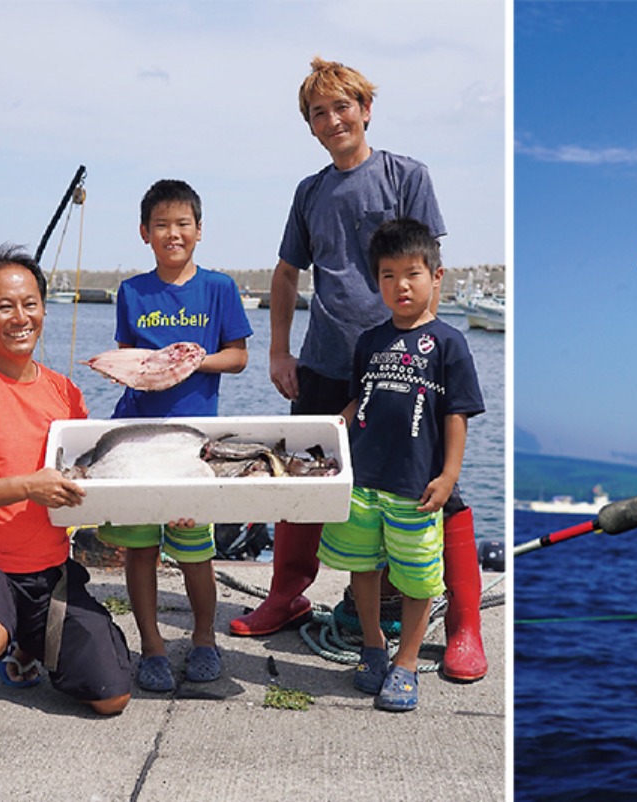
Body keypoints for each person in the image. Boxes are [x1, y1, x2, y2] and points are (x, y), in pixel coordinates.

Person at [231, 56, 490, 683]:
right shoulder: (309, 192)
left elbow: (424, 263)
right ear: (312, 128)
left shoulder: (406, 175)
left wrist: (423, 341)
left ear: (365, 110)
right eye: (319, 113)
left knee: (438, 487)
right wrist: (278, 350)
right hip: (324, 363)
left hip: (405, 366)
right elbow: (288, 274)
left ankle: (465, 623)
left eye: (342, 107)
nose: (333, 119)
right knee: (304, 482)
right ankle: (286, 594)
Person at [0, 244, 132, 728]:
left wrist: (168, 502)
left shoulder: (63, 390)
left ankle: (27, 639)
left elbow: (90, 476)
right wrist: (25, 487)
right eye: (4, 306)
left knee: (111, 696)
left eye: (30, 304)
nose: (21, 317)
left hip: (50, 572)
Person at [318, 218, 484, 711]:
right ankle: (373, 646)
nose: (400, 285)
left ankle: (407, 661)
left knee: (417, 578)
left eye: (412, 273)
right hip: (362, 481)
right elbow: (357, 404)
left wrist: (449, 475)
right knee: (362, 567)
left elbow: (457, 415)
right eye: (388, 275)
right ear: (377, 283)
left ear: (437, 276)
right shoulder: (368, 341)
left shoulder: (450, 343)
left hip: (415, 487)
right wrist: (333, 434)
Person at [97, 179, 252, 693]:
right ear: (145, 232)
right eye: (161, 225)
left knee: (194, 548)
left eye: (182, 223)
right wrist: (131, 370)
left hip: (191, 438)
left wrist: (191, 363)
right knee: (140, 549)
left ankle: (205, 639)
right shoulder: (132, 291)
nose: (172, 233)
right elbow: (127, 355)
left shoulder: (219, 289)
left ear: (199, 230)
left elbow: (239, 356)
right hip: (136, 432)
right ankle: (153, 647)